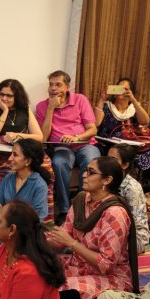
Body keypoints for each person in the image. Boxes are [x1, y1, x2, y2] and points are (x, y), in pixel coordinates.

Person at [47, 156, 137, 299]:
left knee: (56, 287)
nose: (83, 175)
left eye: (91, 172)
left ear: (107, 180)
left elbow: (106, 264)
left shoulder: (115, 213)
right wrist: (34, 238)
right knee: (36, 272)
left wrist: (72, 244)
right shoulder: (81, 200)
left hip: (108, 277)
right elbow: (63, 237)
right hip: (78, 267)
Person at [0, 139, 51, 270]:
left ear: (28, 160)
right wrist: (1, 219)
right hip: (1, 231)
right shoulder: (8, 179)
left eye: (15, 155)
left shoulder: (39, 185)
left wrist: (5, 215)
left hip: (21, 236)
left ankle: (23, 263)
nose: (10, 158)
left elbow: (37, 218)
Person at [0, 79, 55, 221]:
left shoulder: (25, 109)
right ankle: (7, 216)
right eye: (1, 94)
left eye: (9, 95)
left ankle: (43, 218)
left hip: (23, 153)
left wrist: (18, 135)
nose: (4, 98)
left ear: (17, 96)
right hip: (0, 155)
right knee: (8, 173)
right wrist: (4, 112)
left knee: (46, 168)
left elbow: (39, 136)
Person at [36, 70, 100, 226]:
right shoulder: (42, 106)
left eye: (58, 84)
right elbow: (43, 137)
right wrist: (51, 108)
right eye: (51, 84)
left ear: (67, 87)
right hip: (61, 147)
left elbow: (93, 129)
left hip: (85, 143)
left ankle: (82, 205)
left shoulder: (79, 100)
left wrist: (77, 137)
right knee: (58, 164)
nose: (53, 88)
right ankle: (64, 210)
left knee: (91, 162)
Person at [95, 78, 150, 170]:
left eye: (126, 89)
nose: (122, 91)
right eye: (119, 88)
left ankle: (129, 164)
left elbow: (145, 121)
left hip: (132, 149)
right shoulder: (106, 106)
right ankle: (125, 166)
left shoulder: (133, 109)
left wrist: (133, 100)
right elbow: (96, 123)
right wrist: (102, 98)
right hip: (109, 149)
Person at [107, 144, 150, 253]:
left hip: (134, 237)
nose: (108, 162)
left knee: (103, 246)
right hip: (112, 229)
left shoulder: (132, 188)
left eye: (113, 159)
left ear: (125, 165)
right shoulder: (108, 180)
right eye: (107, 158)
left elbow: (132, 222)